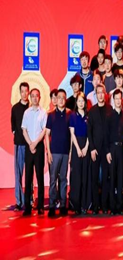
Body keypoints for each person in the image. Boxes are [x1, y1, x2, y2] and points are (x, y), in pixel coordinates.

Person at [87, 84, 112, 215]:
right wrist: (92, 148)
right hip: (95, 149)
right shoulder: (92, 111)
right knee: (94, 178)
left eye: (102, 92)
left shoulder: (110, 109)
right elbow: (89, 131)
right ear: (96, 95)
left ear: (105, 94)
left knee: (106, 178)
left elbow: (112, 131)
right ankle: (95, 206)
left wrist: (109, 150)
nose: (101, 95)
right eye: (98, 93)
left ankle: (105, 205)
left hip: (107, 150)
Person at [45, 89, 71, 217]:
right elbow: (47, 135)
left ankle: (62, 205)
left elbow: (71, 136)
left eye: (63, 98)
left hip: (65, 152)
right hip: (54, 152)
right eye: (59, 97)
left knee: (63, 179)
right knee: (53, 179)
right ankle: (51, 206)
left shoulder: (69, 115)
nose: (61, 100)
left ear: (65, 99)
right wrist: (49, 152)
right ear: (56, 99)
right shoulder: (51, 115)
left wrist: (70, 152)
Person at [22, 88, 47, 216]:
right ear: (30, 98)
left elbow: (44, 130)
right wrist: (30, 144)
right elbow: (24, 130)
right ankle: (27, 206)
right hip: (29, 147)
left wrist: (35, 143)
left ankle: (40, 206)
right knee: (28, 178)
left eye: (37, 96)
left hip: (39, 147)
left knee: (40, 177)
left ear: (40, 97)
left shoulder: (43, 112)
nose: (35, 98)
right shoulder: (26, 113)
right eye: (32, 96)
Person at [69, 92, 92, 214]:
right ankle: (76, 205)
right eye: (79, 101)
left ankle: (85, 204)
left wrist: (86, 147)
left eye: (82, 101)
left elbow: (90, 134)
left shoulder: (89, 116)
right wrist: (78, 149)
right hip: (76, 146)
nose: (81, 103)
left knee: (85, 176)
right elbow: (72, 134)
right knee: (76, 176)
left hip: (86, 146)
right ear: (76, 103)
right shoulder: (73, 116)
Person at [106, 89, 123, 215]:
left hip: (122, 149)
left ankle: (120, 206)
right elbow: (106, 135)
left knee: (120, 178)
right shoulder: (109, 116)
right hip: (112, 149)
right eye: (116, 99)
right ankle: (112, 206)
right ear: (113, 100)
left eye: (120, 98)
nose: (118, 101)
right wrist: (107, 152)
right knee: (112, 178)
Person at [11, 82, 29, 211]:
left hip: (30, 145)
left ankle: (29, 200)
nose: (24, 93)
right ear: (20, 92)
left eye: (26, 91)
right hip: (19, 144)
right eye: (22, 91)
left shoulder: (31, 107)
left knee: (29, 174)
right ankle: (19, 201)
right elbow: (13, 125)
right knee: (18, 174)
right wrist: (17, 135)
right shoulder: (15, 108)